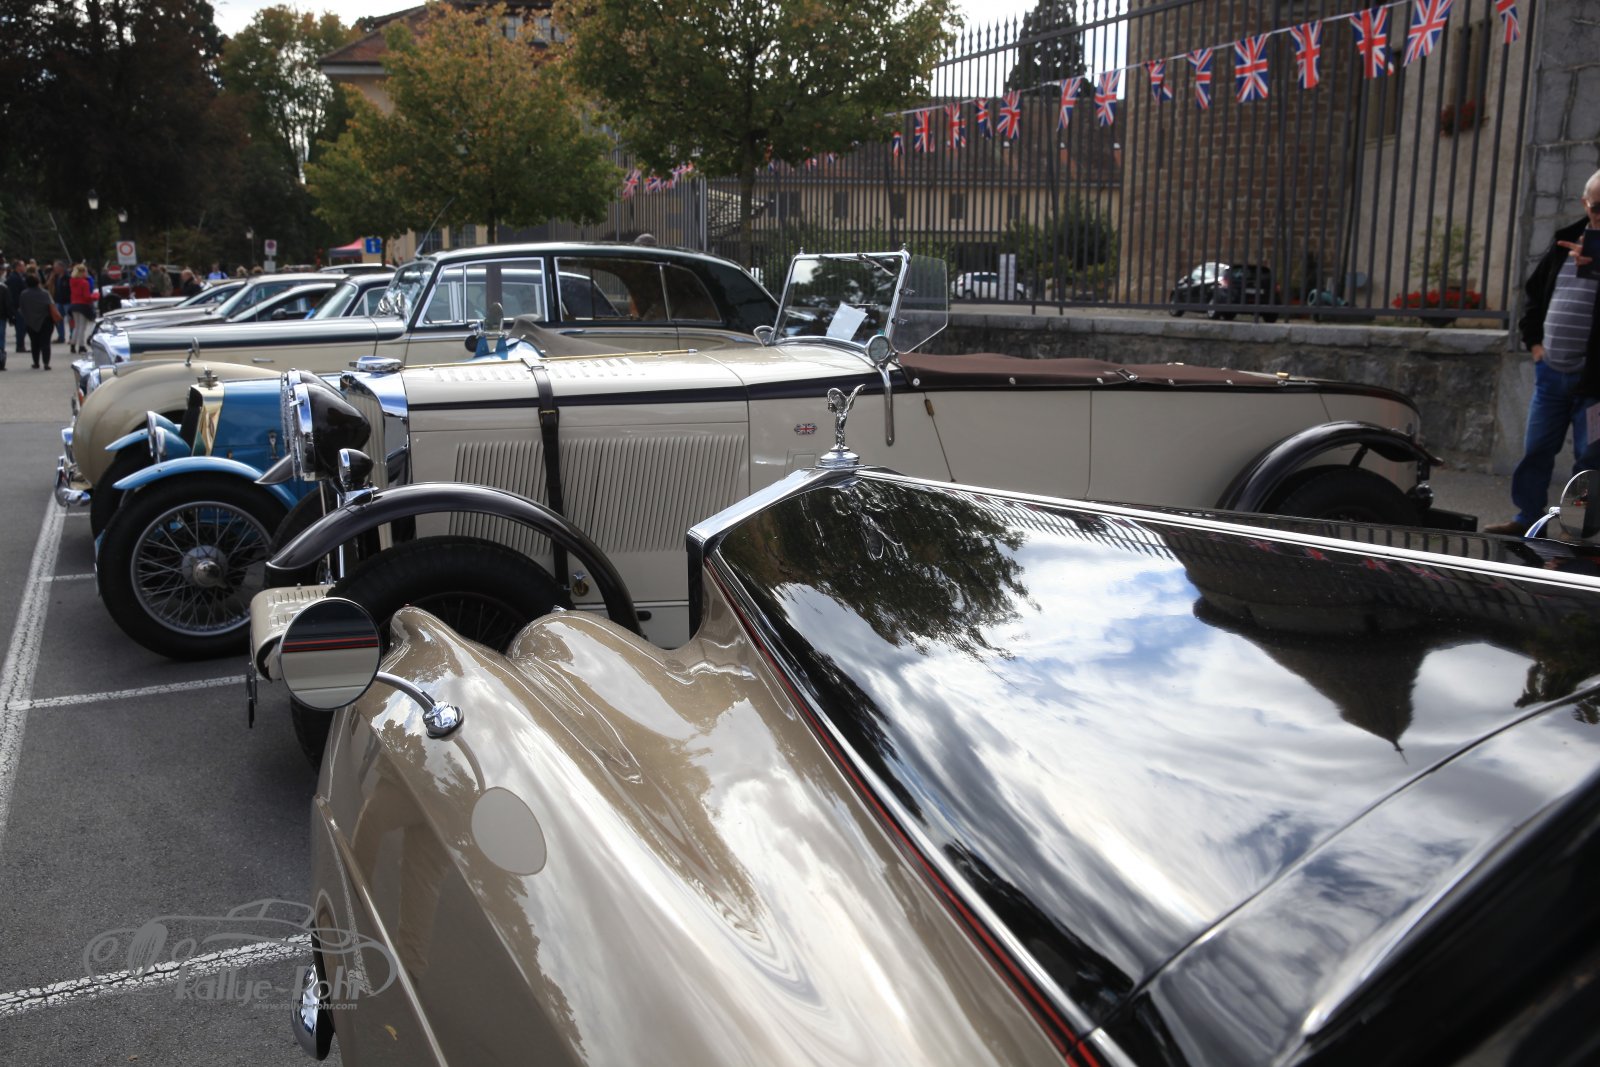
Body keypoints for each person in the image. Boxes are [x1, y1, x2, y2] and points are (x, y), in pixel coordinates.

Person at [1484, 169, 1600, 536]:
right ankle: (1526, 518)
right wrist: (1535, 346)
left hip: (1593, 380)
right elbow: (1533, 297)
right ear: (1584, 203)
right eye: (1598, 207)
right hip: (1550, 371)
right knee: (1536, 449)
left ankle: (1576, 530)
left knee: (1590, 457)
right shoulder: (1564, 241)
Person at [18, 272, 55, 369]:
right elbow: (51, 305)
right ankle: (46, 363)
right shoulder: (45, 293)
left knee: (34, 343)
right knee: (46, 343)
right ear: (38, 282)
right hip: (45, 321)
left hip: (30, 322)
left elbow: (21, 309)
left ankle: (36, 362)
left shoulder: (24, 294)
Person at [67, 263, 97, 353]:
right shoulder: (84, 283)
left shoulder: (72, 281)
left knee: (76, 326)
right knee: (82, 327)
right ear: (83, 272)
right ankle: (81, 345)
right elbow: (86, 297)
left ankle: (73, 344)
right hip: (83, 305)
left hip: (74, 305)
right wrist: (95, 296)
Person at [4, 260, 25, 356]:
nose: (24, 268)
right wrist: (18, 306)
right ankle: (20, 346)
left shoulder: (17, 277)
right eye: (22, 266)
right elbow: (15, 294)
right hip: (17, 307)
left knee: (21, 327)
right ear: (18, 267)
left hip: (17, 306)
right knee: (20, 327)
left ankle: (21, 345)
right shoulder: (14, 278)